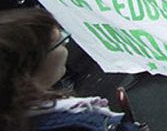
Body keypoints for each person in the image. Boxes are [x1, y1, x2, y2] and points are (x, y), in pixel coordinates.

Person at [0, 8, 143, 131]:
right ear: (30, 65)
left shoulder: (19, 114)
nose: (66, 44)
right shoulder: (73, 123)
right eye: (59, 41)